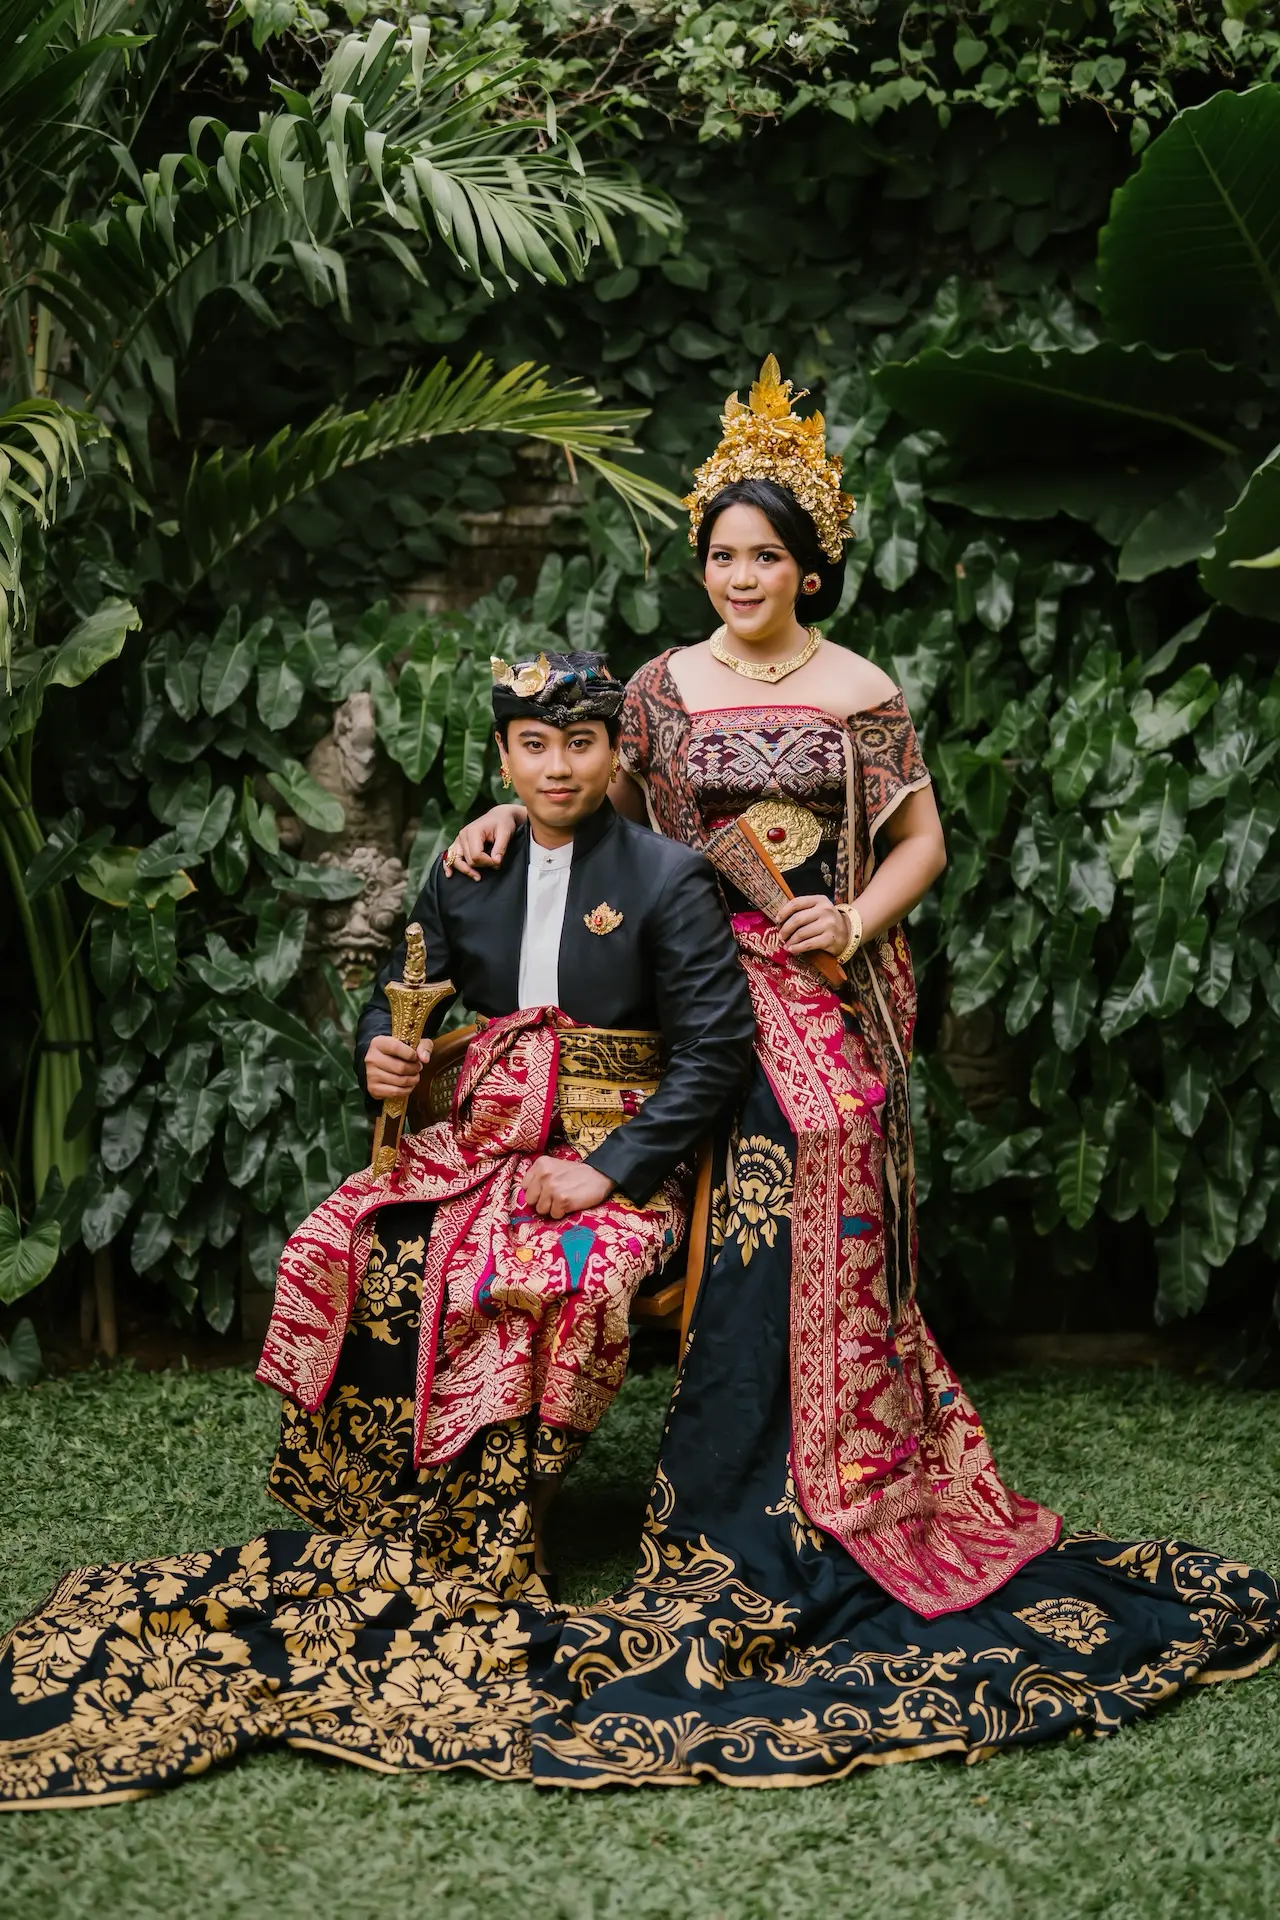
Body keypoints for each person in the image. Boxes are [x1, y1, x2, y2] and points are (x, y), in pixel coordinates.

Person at [445, 356, 1280, 1787]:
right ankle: (743, 1464)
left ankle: (840, 1456)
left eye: (765, 556)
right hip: (694, 973)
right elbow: (590, 802)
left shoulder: (861, 691)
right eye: (722, 555)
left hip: (827, 970)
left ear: (810, 566)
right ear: (702, 564)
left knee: (829, 1119)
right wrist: (496, 817)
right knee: (771, 1122)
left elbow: (921, 843)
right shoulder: (655, 690)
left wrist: (851, 919)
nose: (740, 577)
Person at [0, 651, 755, 1809]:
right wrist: (381, 1052)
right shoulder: (468, 868)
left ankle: (503, 1526)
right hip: (471, 1143)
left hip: (607, 1165)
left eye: (581, 743)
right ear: (503, 755)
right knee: (341, 1241)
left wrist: (607, 1172)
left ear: (616, 752)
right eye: (534, 745)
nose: (558, 767)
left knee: (543, 1276)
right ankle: (387, 1513)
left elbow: (713, 1051)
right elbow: (395, 995)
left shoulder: (666, 878)